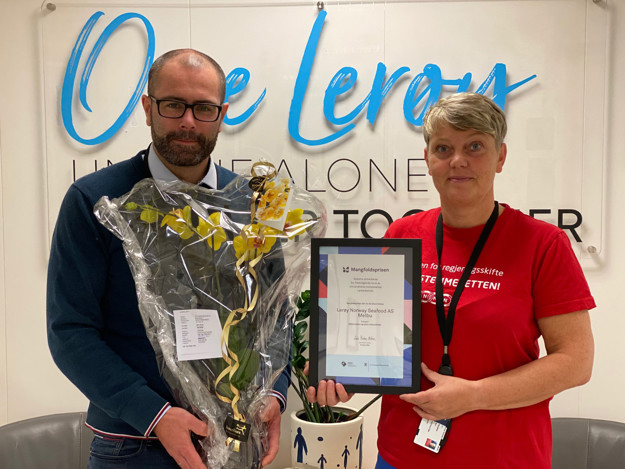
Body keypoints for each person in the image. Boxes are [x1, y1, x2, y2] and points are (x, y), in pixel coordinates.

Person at [307, 92, 595, 468]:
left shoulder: (543, 244)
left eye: (475, 145)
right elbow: (377, 340)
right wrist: (342, 373)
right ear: (428, 159)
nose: (458, 161)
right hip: (402, 455)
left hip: (504, 457)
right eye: (443, 148)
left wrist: (474, 395)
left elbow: (576, 362)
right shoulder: (402, 234)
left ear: (501, 157)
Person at [47, 49, 288, 469]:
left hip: (234, 439)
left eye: (204, 108)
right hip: (132, 443)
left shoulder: (253, 205)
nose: (188, 121)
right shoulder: (95, 201)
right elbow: (70, 332)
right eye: (173, 105)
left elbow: (275, 316)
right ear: (147, 108)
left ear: (223, 113)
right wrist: (152, 413)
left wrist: (275, 391)